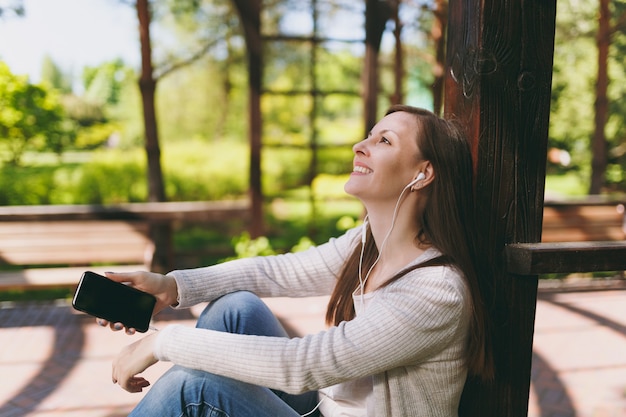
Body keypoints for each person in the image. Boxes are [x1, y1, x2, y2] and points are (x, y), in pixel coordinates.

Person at [100, 104, 494, 417]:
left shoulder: (436, 290)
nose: (361, 145)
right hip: (323, 409)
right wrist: (173, 287)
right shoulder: (369, 244)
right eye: (369, 135)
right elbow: (278, 271)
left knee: (193, 388)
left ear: (423, 174)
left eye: (384, 141)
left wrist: (166, 343)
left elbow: (303, 366)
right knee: (236, 308)